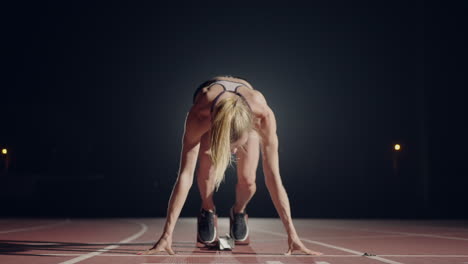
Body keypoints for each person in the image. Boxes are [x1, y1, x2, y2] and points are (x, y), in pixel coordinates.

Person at [138, 75, 322, 256]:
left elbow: (274, 177)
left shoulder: (262, 115)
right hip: (214, 112)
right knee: (207, 174)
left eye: (237, 146)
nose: (234, 153)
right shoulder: (200, 116)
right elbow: (185, 175)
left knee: (249, 181)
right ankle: (207, 209)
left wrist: (293, 234)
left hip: (242, 111)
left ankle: (239, 212)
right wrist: (166, 234)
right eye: (230, 148)